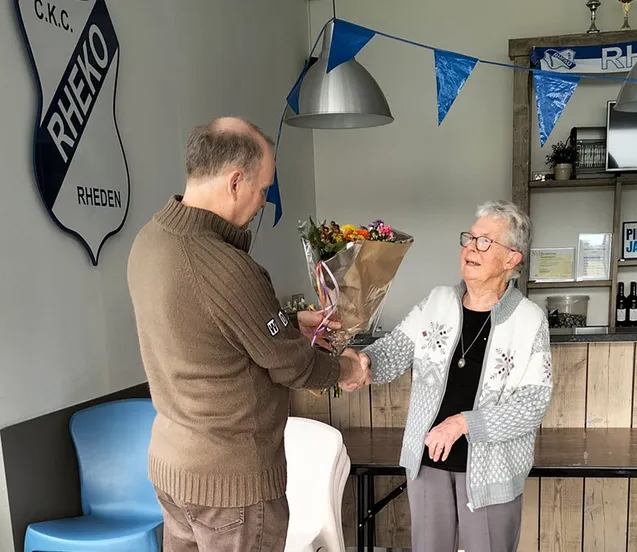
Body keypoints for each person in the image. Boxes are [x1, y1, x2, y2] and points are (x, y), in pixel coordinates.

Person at [127, 116, 370, 552]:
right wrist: (345, 367)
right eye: (263, 188)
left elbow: (207, 329)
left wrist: (288, 321)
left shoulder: (149, 241)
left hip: (173, 471)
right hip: (232, 488)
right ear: (235, 181)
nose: (263, 201)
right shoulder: (225, 266)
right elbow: (291, 364)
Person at [360, 200, 552, 552]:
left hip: (492, 472)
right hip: (429, 463)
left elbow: (532, 405)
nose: (470, 248)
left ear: (512, 259)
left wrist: (463, 423)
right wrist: (358, 363)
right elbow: (391, 352)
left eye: (484, 242)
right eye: (469, 238)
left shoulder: (529, 320)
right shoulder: (438, 302)